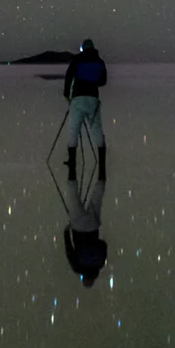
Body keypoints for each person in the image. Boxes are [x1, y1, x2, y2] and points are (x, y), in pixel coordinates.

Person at [61, 38, 106, 181]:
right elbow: (103, 81)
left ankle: (72, 161)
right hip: (93, 99)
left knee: (74, 129)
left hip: (78, 99)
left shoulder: (77, 60)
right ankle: (102, 161)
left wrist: (66, 95)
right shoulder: (99, 61)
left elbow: (69, 77)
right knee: (97, 129)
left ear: (83, 48)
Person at [62, 175, 108, 286]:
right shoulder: (78, 268)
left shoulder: (100, 264)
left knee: (96, 200)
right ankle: (71, 175)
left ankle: (101, 179)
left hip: (93, 227)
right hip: (78, 227)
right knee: (73, 198)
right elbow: (69, 250)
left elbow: (103, 245)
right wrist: (66, 233)